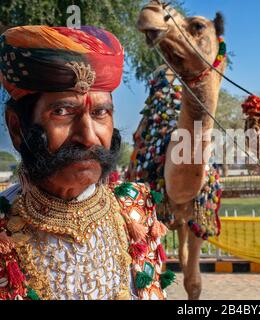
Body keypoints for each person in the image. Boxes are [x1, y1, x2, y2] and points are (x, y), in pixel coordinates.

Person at [0, 26, 174, 300]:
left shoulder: (135, 211)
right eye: (62, 112)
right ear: (17, 128)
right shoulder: (3, 226)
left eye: (100, 112)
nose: (89, 137)